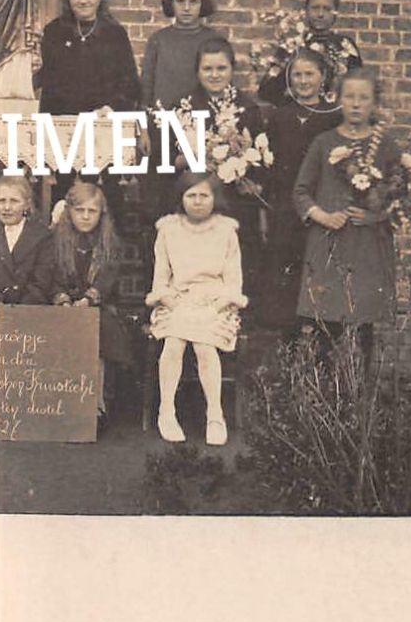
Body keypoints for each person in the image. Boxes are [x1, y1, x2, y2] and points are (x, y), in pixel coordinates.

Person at [292, 68, 402, 364]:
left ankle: (361, 401)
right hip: (329, 244)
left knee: (362, 326)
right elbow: (301, 192)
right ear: (338, 99)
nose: (355, 104)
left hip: (367, 245)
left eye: (363, 98)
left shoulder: (386, 146)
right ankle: (326, 399)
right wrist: (324, 217)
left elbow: (402, 197)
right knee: (326, 327)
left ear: (375, 103)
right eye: (349, 97)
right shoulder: (323, 142)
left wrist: (375, 217)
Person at [180, 36, 280, 317]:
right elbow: (176, 158)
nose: (214, 75)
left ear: (232, 70)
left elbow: (259, 155)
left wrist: (243, 170)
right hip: (199, 201)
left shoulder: (247, 108)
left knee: (233, 267)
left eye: (221, 69)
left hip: (236, 202)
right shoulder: (186, 106)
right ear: (197, 71)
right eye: (207, 69)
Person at [147, 171, 246, 446]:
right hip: (176, 300)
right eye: (191, 195)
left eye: (204, 195)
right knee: (175, 342)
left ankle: (215, 414)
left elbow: (233, 278)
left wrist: (218, 304)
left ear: (215, 198)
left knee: (203, 345)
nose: (198, 201)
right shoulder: (168, 229)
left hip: (216, 304)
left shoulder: (226, 231)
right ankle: (166, 411)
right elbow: (161, 276)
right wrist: (169, 300)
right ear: (181, 198)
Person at [259, 48, 344, 339]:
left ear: (323, 78)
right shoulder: (281, 116)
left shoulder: (333, 116)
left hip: (319, 205)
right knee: (287, 273)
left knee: (318, 272)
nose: (303, 81)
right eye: (297, 74)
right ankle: (290, 344)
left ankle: (323, 339)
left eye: (310, 74)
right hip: (284, 207)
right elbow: (268, 160)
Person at [50, 181, 134, 417]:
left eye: (92, 211)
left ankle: (95, 404)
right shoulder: (55, 240)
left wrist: (88, 300)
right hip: (62, 305)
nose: (86, 217)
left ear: (101, 214)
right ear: (69, 212)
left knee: (100, 337)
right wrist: (63, 299)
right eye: (80, 210)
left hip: (97, 306)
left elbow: (107, 279)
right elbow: (52, 275)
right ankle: (59, 401)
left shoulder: (109, 243)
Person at [36, 0, 140, 116]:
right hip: (60, 120)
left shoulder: (115, 34)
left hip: (101, 122)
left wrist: (111, 108)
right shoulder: (54, 32)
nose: (83, 1)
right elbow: (42, 77)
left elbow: (130, 85)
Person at [139, 0, 226, 110]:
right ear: (171, 3)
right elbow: (146, 86)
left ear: (202, 4)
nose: (186, 8)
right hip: (164, 117)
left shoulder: (214, 39)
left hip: (203, 117)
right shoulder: (158, 40)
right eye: (180, 1)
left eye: (193, 2)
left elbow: (224, 84)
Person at [0, 176, 54, 305]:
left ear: (26, 204)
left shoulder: (42, 236)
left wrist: (20, 308)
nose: (7, 207)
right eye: (1, 201)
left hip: (28, 309)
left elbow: (42, 278)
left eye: (14, 201)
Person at [298, 0, 363, 104]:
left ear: (335, 13)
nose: (320, 14)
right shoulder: (294, 44)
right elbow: (268, 92)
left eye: (327, 9)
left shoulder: (345, 46)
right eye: (315, 8)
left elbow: (358, 89)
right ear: (306, 10)